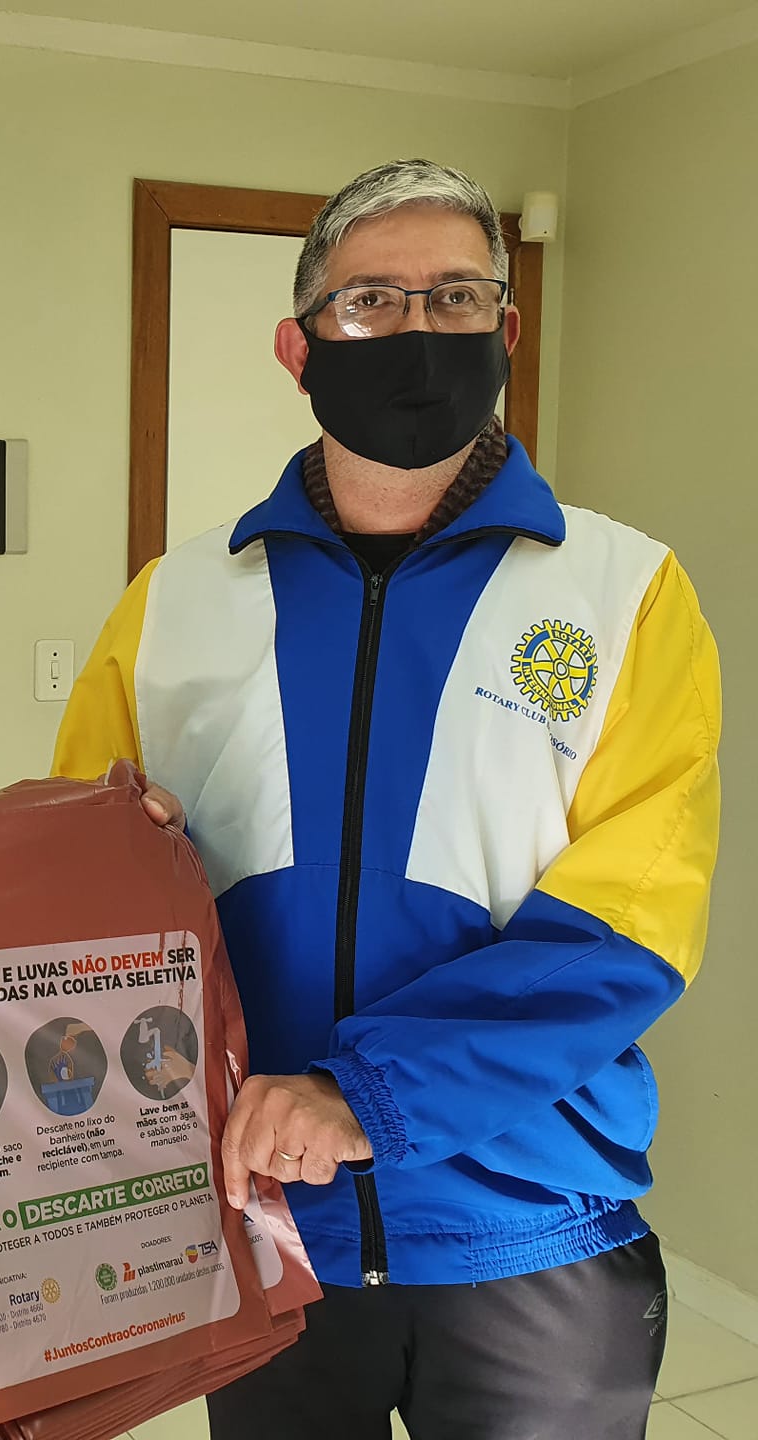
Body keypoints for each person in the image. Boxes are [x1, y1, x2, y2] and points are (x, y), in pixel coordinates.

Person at [53, 159, 721, 1438]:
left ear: (507, 334)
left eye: (455, 296)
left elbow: (630, 930)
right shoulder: (172, 605)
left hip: (530, 1235)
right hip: (269, 1231)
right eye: (369, 304)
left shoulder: (625, 595)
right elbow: (90, 909)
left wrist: (371, 1096)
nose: (415, 331)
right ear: (299, 350)